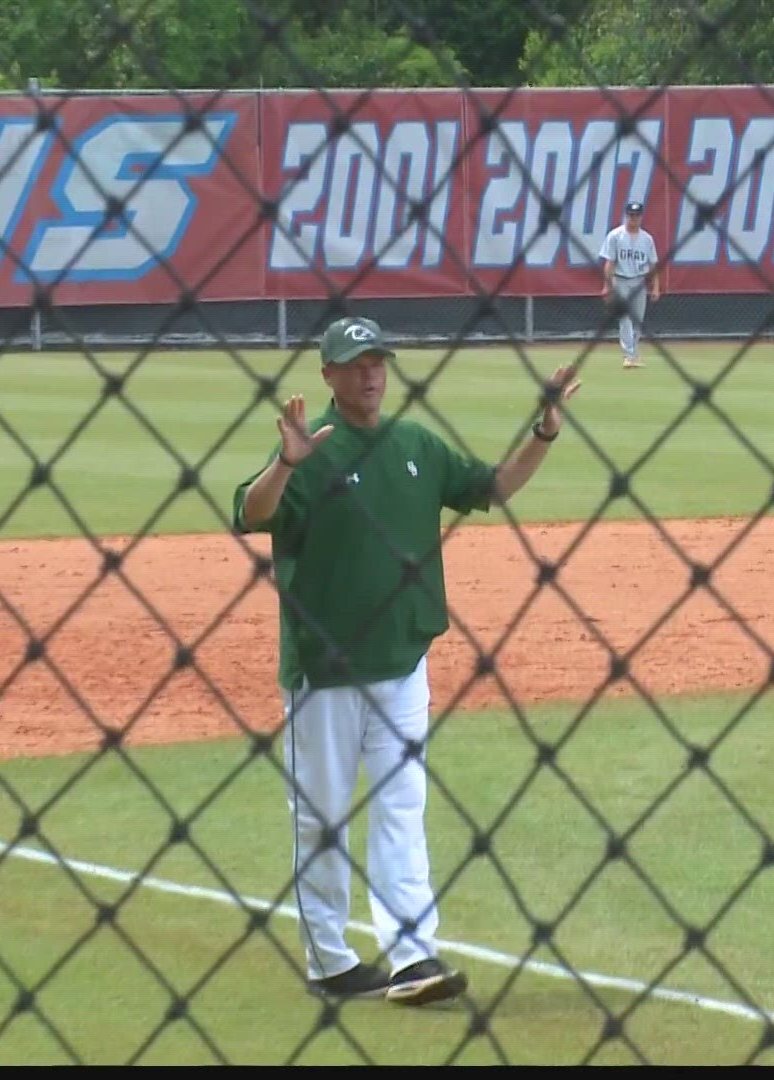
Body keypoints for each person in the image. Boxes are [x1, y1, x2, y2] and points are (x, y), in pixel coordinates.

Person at [233, 315, 579, 1007]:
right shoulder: (314, 451)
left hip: (401, 660)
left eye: (378, 360)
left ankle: (412, 957)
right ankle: (330, 960)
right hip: (323, 671)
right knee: (320, 816)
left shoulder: (414, 443)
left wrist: (543, 429)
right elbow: (250, 511)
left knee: (402, 807)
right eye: (356, 363)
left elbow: (493, 486)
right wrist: (285, 464)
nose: (371, 373)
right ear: (328, 375)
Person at [598, 200, 662, 369]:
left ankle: (633, 352)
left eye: (637, 216)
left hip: (639, 281)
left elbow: (653, 265)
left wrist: (655, 287)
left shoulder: (647, 239)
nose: (633, 219)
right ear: (626, 216)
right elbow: (609, 263)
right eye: (631, 215)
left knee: (638, 319)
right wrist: (607, 285)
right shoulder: (615, 236)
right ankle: (629, 355)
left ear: (641, 217)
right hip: (620, 280)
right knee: (624, 318)